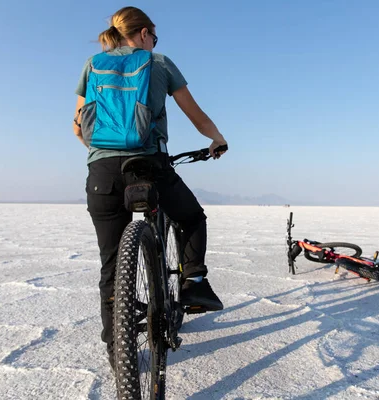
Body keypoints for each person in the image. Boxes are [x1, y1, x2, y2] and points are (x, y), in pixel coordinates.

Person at [72, 6, 227, 369]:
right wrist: (217, 138)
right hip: (150, 164)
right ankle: (194, 284)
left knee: (111, 265)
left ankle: (118, 355)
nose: (155, 42)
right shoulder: (158, 63)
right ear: (143, 34)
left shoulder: (92, 64)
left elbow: (79, 128)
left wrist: (101, 155)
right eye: (154, 36)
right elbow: (196, 114)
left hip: (103, 174)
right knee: (191, 217)